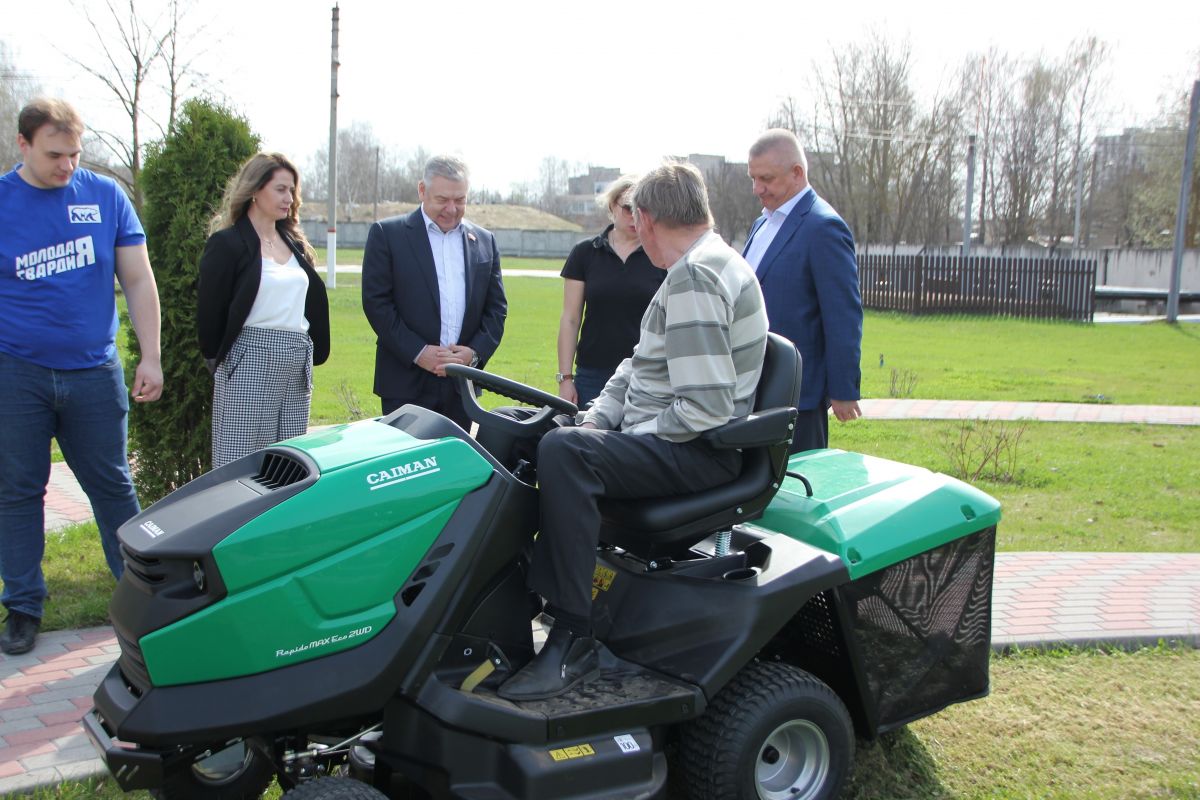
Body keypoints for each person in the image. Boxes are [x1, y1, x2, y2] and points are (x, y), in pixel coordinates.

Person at [498, 161, 768, 701]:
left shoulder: (697, 278)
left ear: (644, 219)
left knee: (566, 453)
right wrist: (597, 418)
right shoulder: (692, 268)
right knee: (519, 430)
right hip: (676, 440)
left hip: (700, 453)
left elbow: (706, 410)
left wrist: (620, 436)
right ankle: (508, 602)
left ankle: (573, 635)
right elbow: (636, 366)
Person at [0, 98, 163, 655]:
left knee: (113, 486)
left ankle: (142, 602)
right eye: (54, 154)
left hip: (94, 372)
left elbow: (138, 280)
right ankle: (23, 605)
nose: (67, 166)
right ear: (22, 144)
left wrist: (151, 355)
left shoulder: (105, 196)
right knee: (20, 491)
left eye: (74, 153)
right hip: (17, 371)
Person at [197, 153, 330, 469]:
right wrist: (226, 363)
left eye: (292, 191)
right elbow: (209, 316)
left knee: (287, 465)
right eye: (281, 189)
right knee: (238, 463)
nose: (289, 198)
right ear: (255, 190)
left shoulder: (295, 244)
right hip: (249, 358)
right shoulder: (227, 244)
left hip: (296, 359)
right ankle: (236, 520)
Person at [361, 155, 507, 430]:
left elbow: (496, 310)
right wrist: (419, 353)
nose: (452, 209)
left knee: (454, 470)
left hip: (460, 386)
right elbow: (377, 303)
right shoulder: (387, 234)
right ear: (422, 190)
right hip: (406, 383)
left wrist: (473, 355)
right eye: (443, 199)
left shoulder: (485, 241)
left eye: (460, 200)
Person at [744, 129, 863, 453]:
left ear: (797, 173)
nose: (758, 189)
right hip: (753, 385)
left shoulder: (823, 227)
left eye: (766, 179)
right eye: (753, 178)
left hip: (799, 394)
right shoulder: (762, 224)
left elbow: (842, 314)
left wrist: (843, 388)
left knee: (796, 491)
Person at [556, 175, 664, 407]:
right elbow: (571, 319)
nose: (635, 216)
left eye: (643, 210)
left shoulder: (661, 255)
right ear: (611, 205)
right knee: (583, 438)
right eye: (628, 208)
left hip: (645, 375)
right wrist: (565, 378)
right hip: (592, 373)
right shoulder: (585, 253)